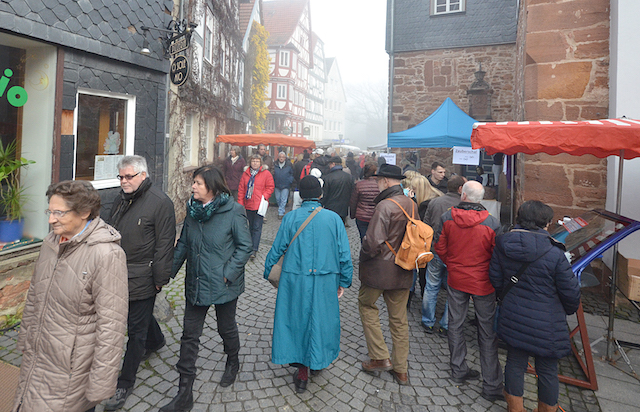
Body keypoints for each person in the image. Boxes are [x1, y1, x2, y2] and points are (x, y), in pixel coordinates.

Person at [13, 180, 128, 412]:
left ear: (84, 212)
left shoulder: (107, 255)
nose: (50, 219)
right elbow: (36, 295)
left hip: (71, 372)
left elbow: (111, 327)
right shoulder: (50, 243)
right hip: (39, 358)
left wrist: (101, 383)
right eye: (50, 211)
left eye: (59, 213)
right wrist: (27, 337)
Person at [160, 166, 253, 412]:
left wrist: (228, 274)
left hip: (224, 284)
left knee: (226, 328)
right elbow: (182, 246)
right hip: (197, 282)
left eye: (198, 183)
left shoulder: (233, 211)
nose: (193, 187)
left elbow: (245, 247)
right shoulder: (192, 212)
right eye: (194, 182)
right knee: (189, 335)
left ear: (212, 187)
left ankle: (232, 361)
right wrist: (167, 273)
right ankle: (184, 393)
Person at [264, 175, 353, 393]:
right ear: (321, 194)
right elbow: (344, 254)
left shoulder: (291, 218)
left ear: (301, 196)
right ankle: (317, 360)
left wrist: (269, 271)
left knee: (296, 320)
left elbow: (277, 248)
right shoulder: (333, 219)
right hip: (325, 277)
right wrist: (344, 279)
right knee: (322, 320)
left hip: (295, 277)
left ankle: (302, 370)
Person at [490, 201, 580, 412]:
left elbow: (495, 277)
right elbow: (570, 292)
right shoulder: (555, 253)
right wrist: (566, 309)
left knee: (514, 362)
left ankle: (515, 408)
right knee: (547, 369)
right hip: (546, 320)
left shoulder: (503, 243)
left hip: (514, 313)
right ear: (547, 223)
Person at [105, 156, 177, 411]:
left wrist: (160, 279)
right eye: (121, 177)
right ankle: (156, 340)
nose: (123, 181)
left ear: (143, 176)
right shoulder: (121, 198)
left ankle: (125, 383)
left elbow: (165, 244)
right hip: (116, 272)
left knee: (134, 332)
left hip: (143, 277)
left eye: (128, 177)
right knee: (140, 319)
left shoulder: (160, 203)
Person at [434, 181, 504, 402]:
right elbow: (497, 256)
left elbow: (440, 247)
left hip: (457, 277)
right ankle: (492, 384)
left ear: (462, 195)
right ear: (480, 199)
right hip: (482, 282)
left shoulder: (447, 218)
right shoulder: (492, 223)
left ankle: (458, 368)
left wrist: (452, 264)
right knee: (486, 331)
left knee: (455, 324)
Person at [358, 164, 418, 386]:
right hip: (403, 268)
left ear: (384, 181)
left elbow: (372, 243)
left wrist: (362, 258)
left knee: (366, 305)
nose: (376, 184)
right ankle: (401, 369)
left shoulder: (385, 206)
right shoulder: (411, 204)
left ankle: (380, 356)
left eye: (378, 181)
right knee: (399, 319)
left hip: (379, 271)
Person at [421, 175, 466, 335]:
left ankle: (428, 321)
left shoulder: (435, 202)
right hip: (455, 253)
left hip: (435, 249)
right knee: (453, 290)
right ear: (460, 189)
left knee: (431, 286)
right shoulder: (464, 205)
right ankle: (446, 324)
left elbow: (425, 226)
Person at [238, 154, 275, 258]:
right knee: (249, 226)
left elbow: (270, 187)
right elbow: (241, 189)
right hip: (248, 204)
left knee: (257, 227)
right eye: (253, 161)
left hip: (260, 204)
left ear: (260, 163)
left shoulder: (266, 173)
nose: (255, 163)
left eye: (257, 161)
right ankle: (248, 246)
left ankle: (254, 249)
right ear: (250, 162)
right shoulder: (246, 174)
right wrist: (240, 204)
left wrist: (264, 196)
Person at [349, 162, 379, 242]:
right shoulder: (379, 185)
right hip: (376, 216)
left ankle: (364, 251)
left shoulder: (359, 185)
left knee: (363, 237)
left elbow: (353, 201)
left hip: (361, 216)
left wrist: (352, 215)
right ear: (375, 172)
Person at [321, 156, 354, 223]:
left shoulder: (328, 177)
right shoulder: (349, 177)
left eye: (329, 164)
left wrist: (321, 205)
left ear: (333, 164)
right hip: (343, 209)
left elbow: (325, 194)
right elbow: (352, 193)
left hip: (330, 208)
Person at [273, 152, 294, 219]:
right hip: (277, 184)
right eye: (280, 157)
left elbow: (292, 174)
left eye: (283, 157)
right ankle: (281, 209)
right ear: (278, 158)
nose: (281, 158)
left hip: (285, 185)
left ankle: (281, 212)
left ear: (285, 158)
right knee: (278, 199)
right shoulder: (275, 165)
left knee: (283, 199)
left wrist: (290, 180)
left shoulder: (289, 165)